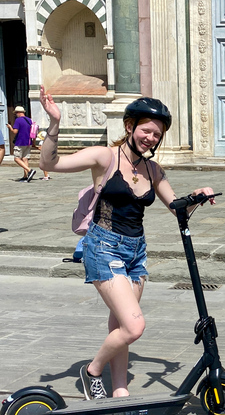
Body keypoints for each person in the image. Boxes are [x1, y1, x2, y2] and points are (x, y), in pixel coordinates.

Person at [39, 86, 215, 400]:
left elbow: (177, 207)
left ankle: (120, 389)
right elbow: (50, 164)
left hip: (136, 253)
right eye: (146, 131)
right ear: (130, 126)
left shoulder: (153, 169)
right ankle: (92, 370)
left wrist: (198, 196)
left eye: (157, 135)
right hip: (103, 246)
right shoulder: (104, 157)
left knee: (121, 324)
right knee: (134, 326)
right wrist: (54, 123)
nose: (151, 138)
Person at [6, 105, 36, 182]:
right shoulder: (30, 120)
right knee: (25, 158)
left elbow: (15, 132)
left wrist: (10, 127)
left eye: (16, 113)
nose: (16, 115)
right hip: (28, 142)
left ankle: (29, 170)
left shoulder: (18, 120)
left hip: (20, 142)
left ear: (18, 113)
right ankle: (26, 176)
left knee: (16, 158)